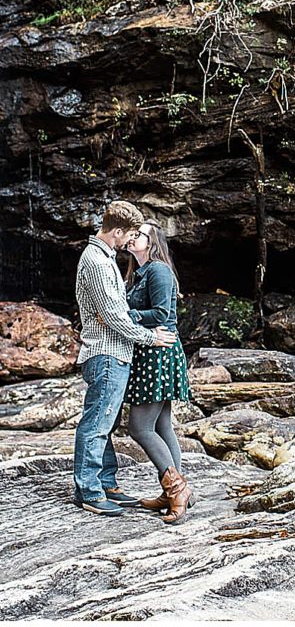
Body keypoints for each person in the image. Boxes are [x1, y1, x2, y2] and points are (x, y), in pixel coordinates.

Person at [73, 201, 177, 516]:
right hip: (106, 353)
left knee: (106, 422)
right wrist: (150, 336)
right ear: (117, 231)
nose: (128, 242)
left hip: (115, 353)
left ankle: (107, 484)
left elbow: (118, 314)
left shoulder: (105, 259)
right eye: (128, 235)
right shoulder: (97, 262)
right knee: (97, 424)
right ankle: (89, 492)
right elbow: (114, 318)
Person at [123, 219, 195, 525]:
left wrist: (125, 314)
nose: (132, 236)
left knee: (139, 427)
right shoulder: (139, 273)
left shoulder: (158, 270)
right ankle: (171, 492)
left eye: (139, 234)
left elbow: (163, 315)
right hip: (151, 352)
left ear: (152, 243)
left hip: (159, 353)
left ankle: (177, 489)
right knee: (163, 426)